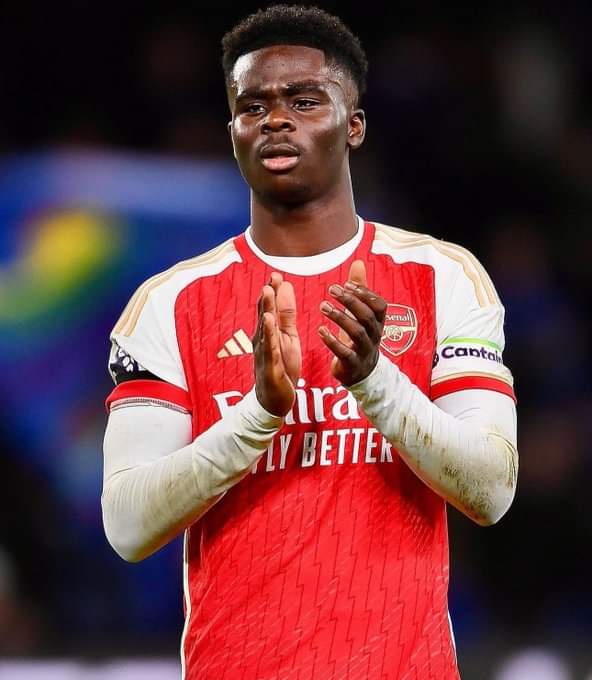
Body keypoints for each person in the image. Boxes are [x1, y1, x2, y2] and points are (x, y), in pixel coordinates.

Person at [102, 5, 518, 679]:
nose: (275, 120)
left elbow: (492, 488)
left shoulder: (441, 276)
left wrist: (375, 382)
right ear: (233, 132)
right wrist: (258, 414)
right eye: (252, 106)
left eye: (303, 101)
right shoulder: (170, 302)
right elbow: (127, 525)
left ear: (353, 125)